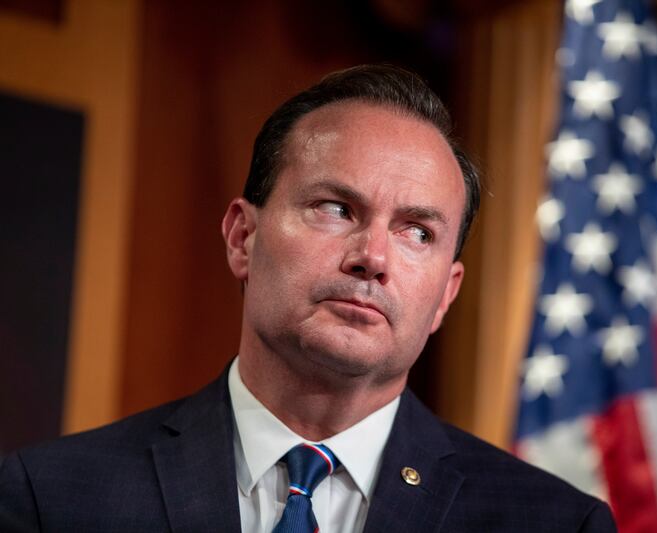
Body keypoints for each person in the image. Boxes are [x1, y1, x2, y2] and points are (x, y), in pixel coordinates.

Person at [0, 65, 616, 532]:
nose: (372, 257)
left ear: (444, 298)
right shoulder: (51, 498)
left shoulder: (554, 524)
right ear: (243, 237)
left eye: (417, 232)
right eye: (335, 208)